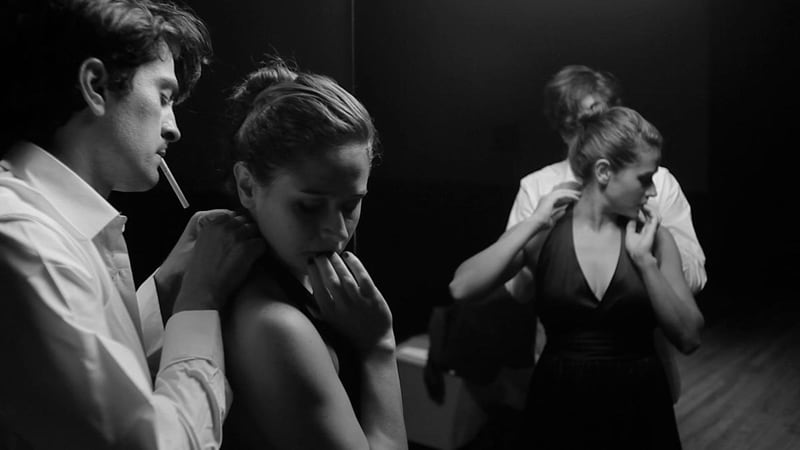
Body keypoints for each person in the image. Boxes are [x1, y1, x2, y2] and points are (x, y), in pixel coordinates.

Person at [0, 1, 265, 449]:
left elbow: (100, 366)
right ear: (96, 86)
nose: (174, 129)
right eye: (164, 97)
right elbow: (150, 442)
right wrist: (199, 300)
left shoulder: (52, 227)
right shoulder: (24, 242)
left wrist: (166, 286)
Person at [450, 106, 704, 448]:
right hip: (559, 401)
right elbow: (462, 287)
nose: (652, 192)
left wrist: (645, 263)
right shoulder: (545, 234)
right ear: (604, 172)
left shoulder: (655, 238)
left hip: (639, 401)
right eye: (645, 179)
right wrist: (533, 222)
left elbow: (689, 337)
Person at [218, 59, 407, 450]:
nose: (337, 231)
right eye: (309, 206)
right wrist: (379, 347)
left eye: (351, 204)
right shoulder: (276, 325)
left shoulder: (292, 283)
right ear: (247, 186)